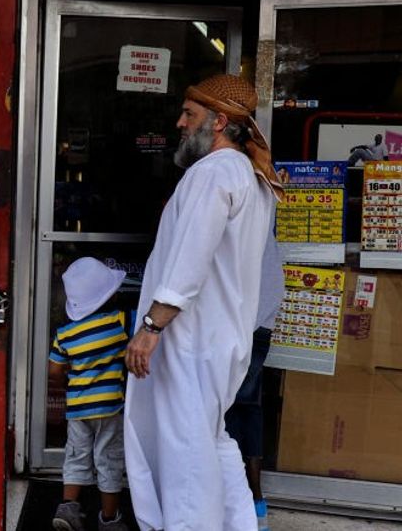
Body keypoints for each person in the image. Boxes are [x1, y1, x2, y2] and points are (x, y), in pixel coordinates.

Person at [123, 73, 283, 531]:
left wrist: (151, 328)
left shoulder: (212, 173)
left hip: (191, 339)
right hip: (222, 338)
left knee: (185, 452)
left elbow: (190, 260)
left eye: (189, 115)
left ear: (218, 122)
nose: (179, 123)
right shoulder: (249, 175)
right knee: (212, 440)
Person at [50, 257, 131, 531]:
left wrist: (70, 380)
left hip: (78, 407)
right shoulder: (120, 322)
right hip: (109, 407)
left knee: (76, 456)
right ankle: (109, 519)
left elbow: (54, 371)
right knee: (108, 459)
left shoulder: (64, 333)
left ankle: (68, 509)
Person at [223, 226, 284, 531]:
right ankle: (256, 505)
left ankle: (239, 505)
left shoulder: (238, 226)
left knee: (228, 411)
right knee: (249, 407)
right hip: (260, 326)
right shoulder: (263, 221)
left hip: (239, 327)